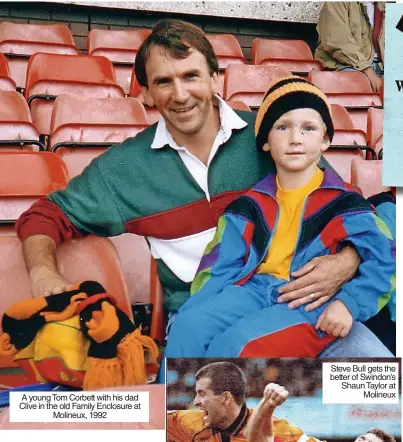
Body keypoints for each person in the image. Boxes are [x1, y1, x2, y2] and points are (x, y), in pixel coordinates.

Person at [15, 19, 392, 358]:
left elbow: (345, 210)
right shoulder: (122, 170)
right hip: (206, 311)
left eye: (191, 76)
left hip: (310, 304)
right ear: (145, 93)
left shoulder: (276, 131)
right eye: (164, 81)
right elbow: (46, 216)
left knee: (377, 393)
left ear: (214, 78)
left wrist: (348, 261)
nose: (180, 95)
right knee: (199, 408)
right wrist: (44, 273)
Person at [162, 76, 395, 360]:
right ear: (265, 143)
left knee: (239, 346)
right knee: (187, 328)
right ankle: (174, 406)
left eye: (308, 128)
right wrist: (199, 311)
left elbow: (386, 256)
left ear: (325, 140)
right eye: (282, 127)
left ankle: (218, 404)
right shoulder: (247, 206)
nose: (295, 138)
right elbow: (217, 267)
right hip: (254, 291)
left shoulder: (346, 202)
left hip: (309, 301)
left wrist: (350, 303)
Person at [167, 361, 321, 442]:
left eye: (202, 394)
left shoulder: (278, 430)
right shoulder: (185, 422)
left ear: (225, 398)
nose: (196, 401)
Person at [315, 2, 385, 92]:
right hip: (345, 65)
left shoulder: (387, 6)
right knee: (359, 84)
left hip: (379, 68)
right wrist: (368, 71)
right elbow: (338, 42)